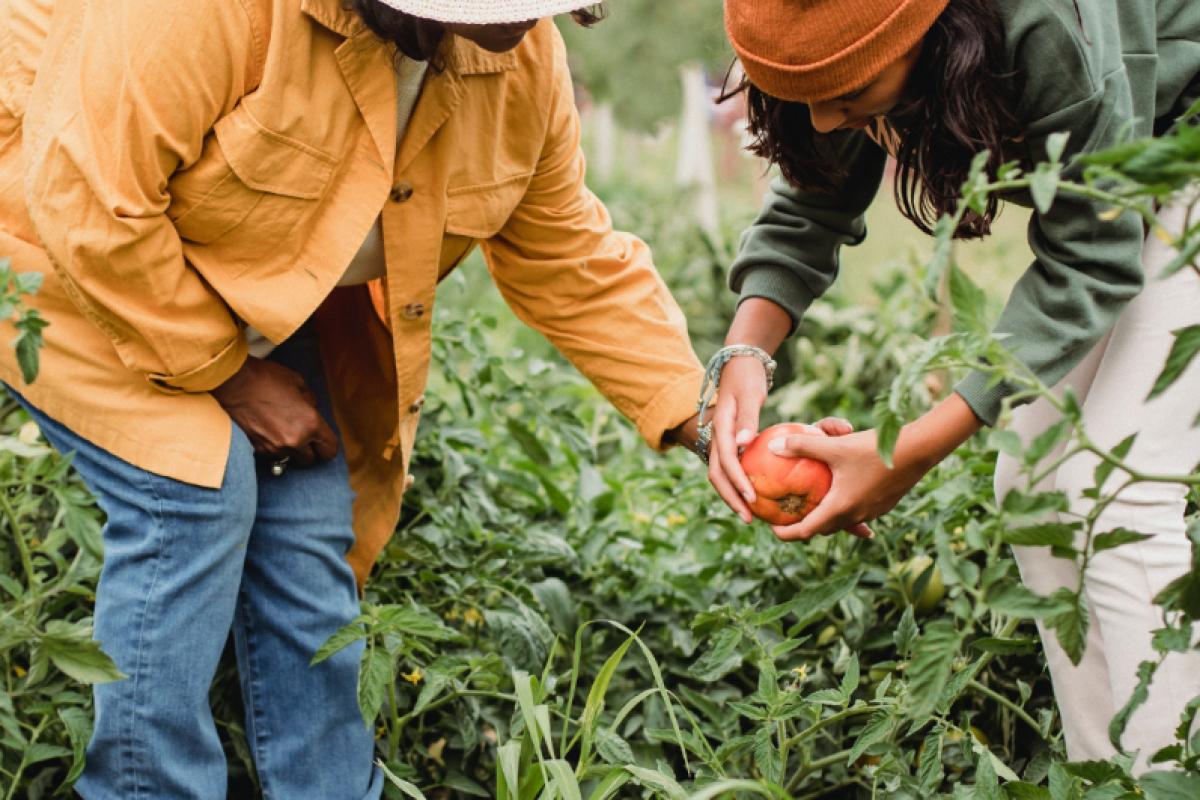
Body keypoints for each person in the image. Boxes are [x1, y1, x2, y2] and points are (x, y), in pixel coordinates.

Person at [0, 0, 726, 795]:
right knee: (193, 496)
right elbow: (91, 207)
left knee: (313, 526)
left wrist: (705, 418)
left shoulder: (518, 59)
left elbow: (566, 252)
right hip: (57, 241)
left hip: (240, 271)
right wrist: (235, 380)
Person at [705, 0, 1200, 770]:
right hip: (1132, 168)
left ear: (931, 37)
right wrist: (744, 354)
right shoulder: (847, 50)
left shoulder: (1040, 24)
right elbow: (815, 188)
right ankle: (1108, 777)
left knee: (1116, 484)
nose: (828, 122)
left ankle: (1170, 776)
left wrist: (909, 450)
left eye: (848, 93)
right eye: (805, 94)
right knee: (1033, 486)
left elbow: (1091, 257)